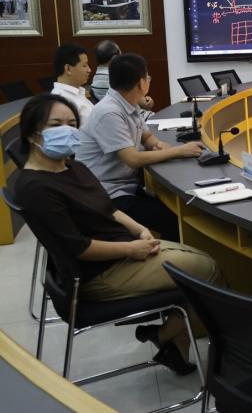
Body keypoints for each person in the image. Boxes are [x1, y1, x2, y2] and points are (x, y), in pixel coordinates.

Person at [13, 94, 222, 375]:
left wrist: (139, 229)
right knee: (207, 271)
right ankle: (177, 339)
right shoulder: (35, 188)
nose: (67, 130)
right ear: (31, 133)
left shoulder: (70, 166)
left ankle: (176, 342)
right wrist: (131, 249)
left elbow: (108, 208)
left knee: (203, 264)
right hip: (100, 272)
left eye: (72, 124)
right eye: (56, 124)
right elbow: (80, 248)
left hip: (120, 248)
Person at [76, 54, 204, 243]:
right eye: (147, 76)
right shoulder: (109, 112)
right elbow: (132, 159)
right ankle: (170, 257)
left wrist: (158, 145)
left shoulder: (128, 102)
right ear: (141, 83)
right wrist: (179, 151)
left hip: (124, 184)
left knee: (176, 207)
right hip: (106, 194)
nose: (149, 79)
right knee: (173, 219)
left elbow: (147, 137)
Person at [91, 40, 154, 110]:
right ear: (114, 58)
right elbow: (143, 103)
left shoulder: (96, 77)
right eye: (121, 55)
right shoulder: (115, 76)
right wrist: (146, 100)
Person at [50, 43, 94, 124]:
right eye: (84, 65)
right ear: (68, 69)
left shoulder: (78, 92)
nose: (89, 70)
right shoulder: (61, 102)